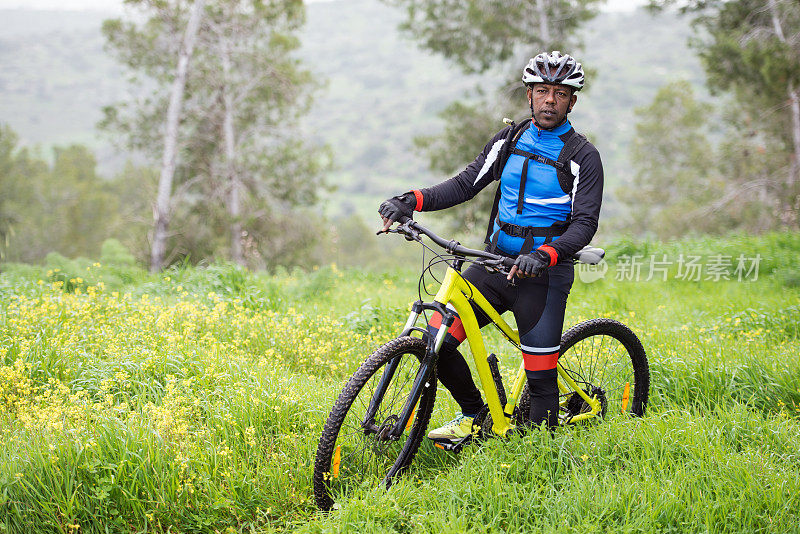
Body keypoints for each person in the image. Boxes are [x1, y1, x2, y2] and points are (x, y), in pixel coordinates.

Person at [378, 51, 603, 441]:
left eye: (561, 93)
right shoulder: (510, 139)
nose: (551, 100)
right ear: (529, 95)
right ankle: (474, 415)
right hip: (493, 263)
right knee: (436, 343)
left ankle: (543, 466)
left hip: (543, 275)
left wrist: (545, 255)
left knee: (541, 383)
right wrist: (409, 200)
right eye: (543, 91)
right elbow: (465, 183)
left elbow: (585, 223)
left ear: (572, 101)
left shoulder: (583, 156)